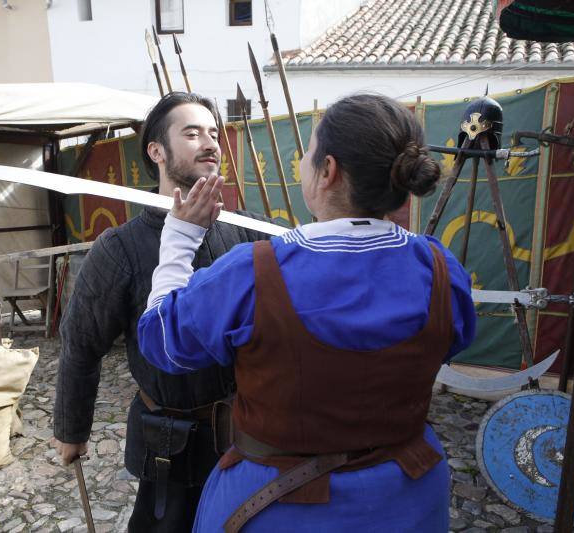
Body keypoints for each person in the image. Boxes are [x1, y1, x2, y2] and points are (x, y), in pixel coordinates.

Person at [137, 93, 477, 532]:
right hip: (406, 498)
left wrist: (181, 237)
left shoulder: (253, 272)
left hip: (284, 509)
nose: (302, 163)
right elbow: (453, 342)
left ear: (328, 171)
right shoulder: (439, 267)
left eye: (308, 152)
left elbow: (160, 341)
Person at [52, 91, 269, 532]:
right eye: (191, 133)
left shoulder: (246, 233)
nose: (210, 143)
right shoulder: (121, 248)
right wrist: (72, 430)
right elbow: (81, 344)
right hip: (170, 442)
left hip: (247, 436)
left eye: (213, 133)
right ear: (156, 152)